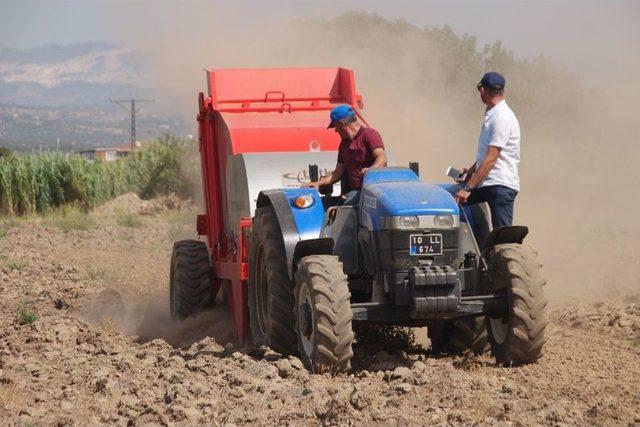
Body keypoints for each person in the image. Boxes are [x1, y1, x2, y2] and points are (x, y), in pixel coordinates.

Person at [454, 72, 521, 228]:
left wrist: (467, 188)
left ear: (483, 90)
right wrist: (470, 172)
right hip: (487, 182)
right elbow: (486, 155)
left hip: (500, 185)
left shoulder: (501, 117)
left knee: (502, 238)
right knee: (450, 199)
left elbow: (491, 158)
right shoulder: (494, 114)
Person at [306, 105, 387, 205]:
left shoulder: (369, 135)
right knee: (332, 205)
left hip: (374, 192)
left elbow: (382, 158)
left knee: (347, 205)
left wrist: (371, 170)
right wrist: (317, 183)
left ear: (341, 123)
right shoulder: (343, 144)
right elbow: (337, 173)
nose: (336, 130)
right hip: (356, 193)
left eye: (335, 126)